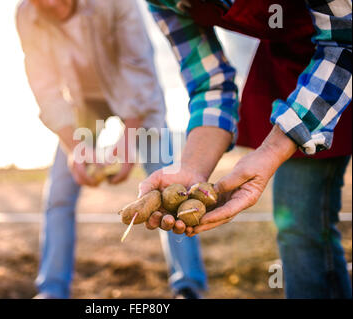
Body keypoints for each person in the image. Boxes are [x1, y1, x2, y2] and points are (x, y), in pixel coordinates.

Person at [140, 0, 352, 298]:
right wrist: (192, 168)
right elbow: (210, 84)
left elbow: (345, 41)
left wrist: (271, 151)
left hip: (340, 54)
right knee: (300, 223)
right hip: (298, 68)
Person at [16, 0, 207, 299]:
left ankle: (188, 285)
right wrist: (74, 146)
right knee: (59, 197)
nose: (52, 4)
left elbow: (138, 67)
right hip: (83, 105)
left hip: (139, 101)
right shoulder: (26, 15)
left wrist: (130, 139)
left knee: (171, 189)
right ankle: (52, 290)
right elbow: (45, 88)